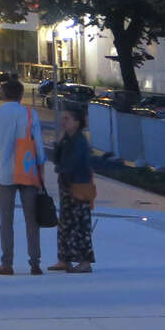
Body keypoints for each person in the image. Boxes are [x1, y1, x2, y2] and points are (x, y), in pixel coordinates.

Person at [0, 77, 47, 275]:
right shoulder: (30, 114)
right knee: (32, 219)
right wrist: (40, 169)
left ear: (2, 94)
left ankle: (7, 263)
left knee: (6, 220)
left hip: (3, 172)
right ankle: (35, 263)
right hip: (27, 170)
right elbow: (39, 146)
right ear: (20, 94)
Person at [49, 106, 96, 272]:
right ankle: (64, 259)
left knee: (80, 224)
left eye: (67, 118)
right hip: (66, 186)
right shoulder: (67, 139)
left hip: (79, 186)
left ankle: (85, 261)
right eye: (62, 118)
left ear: (77, 122)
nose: (63, 122)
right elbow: (56, 159)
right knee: (65, 223)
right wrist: (59, 143)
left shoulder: (79, 141)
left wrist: (60, 168)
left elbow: (71, 163)